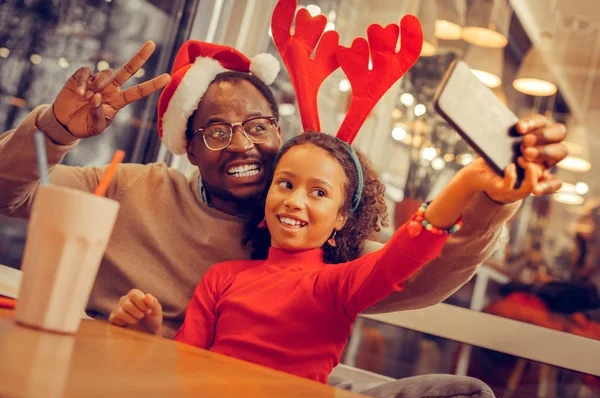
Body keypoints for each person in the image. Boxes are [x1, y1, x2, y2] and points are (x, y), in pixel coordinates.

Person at [0, 40, 567, 338]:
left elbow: (417, 276)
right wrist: (55, 131)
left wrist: (492, 200)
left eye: (258, 126)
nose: (243, 145)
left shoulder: (303, 233)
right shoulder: (124, 187)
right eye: (217, 131)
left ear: (280, 132)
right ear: (189, 147)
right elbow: (12, 196)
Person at [108, 130, 545, 384]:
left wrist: (467, 182)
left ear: (340, 219)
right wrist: (149, 338)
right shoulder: (222, 276)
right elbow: (185, 365)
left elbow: (409, 250)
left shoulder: (338, 285)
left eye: (318, 193)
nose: (295, 201)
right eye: (285, 183)